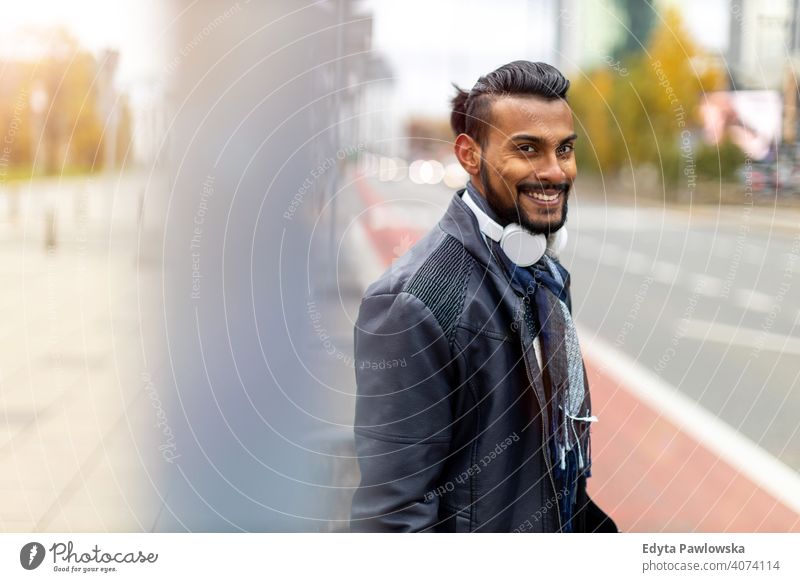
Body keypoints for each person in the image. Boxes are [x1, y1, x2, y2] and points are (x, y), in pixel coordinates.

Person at [349, 60, 617, 533]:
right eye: (528, 150)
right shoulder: (413, 305)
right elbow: (391, 522)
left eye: (565, 149)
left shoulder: (544, 274)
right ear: (470, 156)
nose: (555, 172)